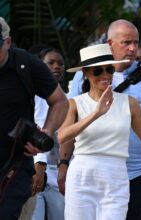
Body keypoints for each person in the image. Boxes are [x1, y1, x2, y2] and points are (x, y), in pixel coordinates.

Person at [59, 19, 141, 220]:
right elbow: (63, 136)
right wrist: (95, 114)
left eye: (109, 69)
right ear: (85, 73)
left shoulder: (134, 98)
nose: (105, 75)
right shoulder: (77, 101)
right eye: (98, 71)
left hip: (123, 174)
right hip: (83, 175)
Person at [0, 17, 68, 219]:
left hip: (14, 167)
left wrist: (46, 131)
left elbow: (60, 101)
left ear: (8, 42)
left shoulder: (25, 64)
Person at [29, 47, 66, 220]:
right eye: (50, 63)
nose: (56, 66)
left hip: (57, 174)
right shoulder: (32, 94)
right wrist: (39, 166)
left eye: (60, 63)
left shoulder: (66, 98)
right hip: (35, 170)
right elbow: (41, 130)